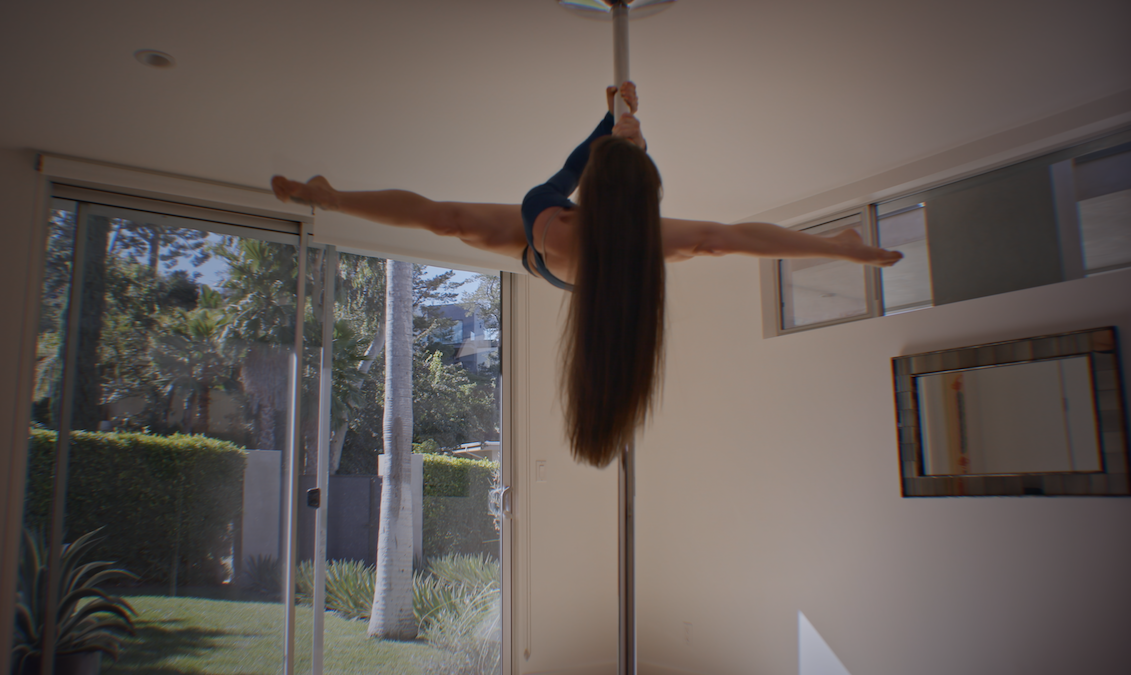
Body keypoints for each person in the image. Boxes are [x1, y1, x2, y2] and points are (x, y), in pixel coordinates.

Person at [271, 83, 902, 468]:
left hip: (555, 259)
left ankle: (333, 197)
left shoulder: (548, 221)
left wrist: (612, 129)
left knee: (453, 220)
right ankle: (332, 196)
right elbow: (734, 238)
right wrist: (619, 126)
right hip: (605, 255)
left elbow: (568, 171)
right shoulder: (652, 237)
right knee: (450, 219)